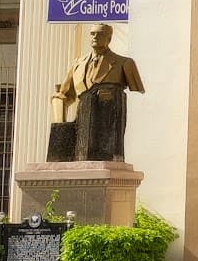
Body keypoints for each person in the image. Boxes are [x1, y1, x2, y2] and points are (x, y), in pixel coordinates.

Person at [54, 23, 144, 161]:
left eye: (100, 34)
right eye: (92, 33)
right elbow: (64, 96)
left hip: (107, 130)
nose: (95, 36)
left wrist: (112, 96)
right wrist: (59, 123)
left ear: (109, 38)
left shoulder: (124, 63)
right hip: (82, 126)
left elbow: (139, 96)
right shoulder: (77, 64)